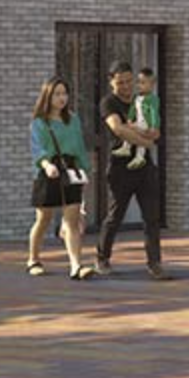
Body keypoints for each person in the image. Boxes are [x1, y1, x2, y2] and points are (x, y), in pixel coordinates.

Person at [92, 63, 167, 281]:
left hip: (145, 168)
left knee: (152, 217)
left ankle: (155, 263)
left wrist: (147, 137)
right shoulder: (109, 102)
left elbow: (155, 130)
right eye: (120, 81)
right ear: (111, 81)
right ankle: (102, 257)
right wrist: (144, 139)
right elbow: (118, 128)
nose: (125, 86)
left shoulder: (142, 100)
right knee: (115, 215)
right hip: (120, 168)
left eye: (128, 81)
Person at [24, 79, 95, 278]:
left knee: (71, 220)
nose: (62, 98)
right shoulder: (39, 122)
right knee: (43, 219)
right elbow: (37, 148)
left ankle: (76, 266)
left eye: (64, 93)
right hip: (48, 171)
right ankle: (33, 259)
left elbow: (79, 145)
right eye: (57, 94)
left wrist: (84, 169)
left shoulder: (73, 119)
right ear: (48, 96)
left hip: (70, 170)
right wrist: (46, 165)